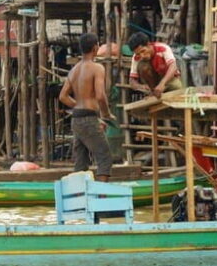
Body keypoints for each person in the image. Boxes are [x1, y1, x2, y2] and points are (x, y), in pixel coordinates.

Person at [58, 33, 114, 182]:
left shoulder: (74, 69)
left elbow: (63, 96)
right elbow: (101, 96)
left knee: (80, 162)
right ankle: (101, 197)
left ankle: (79, 196)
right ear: (95, 47)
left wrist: (79, 105)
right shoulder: (97, 68)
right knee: (104, 158)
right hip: (89, 118)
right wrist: (106, 115)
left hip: (76, 119)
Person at [127, 32, 183, 98]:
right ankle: (153, 92)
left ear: (148, 44)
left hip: (168, 80)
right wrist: (140, 86)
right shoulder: (136, 57)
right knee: (143, 66)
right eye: (138, 54)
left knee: (177, 87)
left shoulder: (163, 48)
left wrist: (162, 84)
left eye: (143, 51)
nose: (142, 56)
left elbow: (173, 66)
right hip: (152, 85)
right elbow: (132, 80)